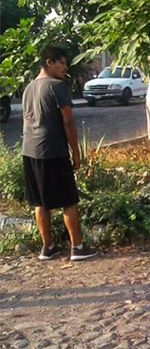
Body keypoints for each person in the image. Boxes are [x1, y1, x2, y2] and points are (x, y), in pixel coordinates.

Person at [21, 46, 97, 261]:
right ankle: (78, 248)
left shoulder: (28, 88)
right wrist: (76, 152)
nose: (65, 67)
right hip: (52, 150)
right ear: (49, 62)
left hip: (29, 150)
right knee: (68, 200)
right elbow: (68, 122)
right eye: (61, 63)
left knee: (40, 202)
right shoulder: (57, 86)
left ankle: (48, 248)